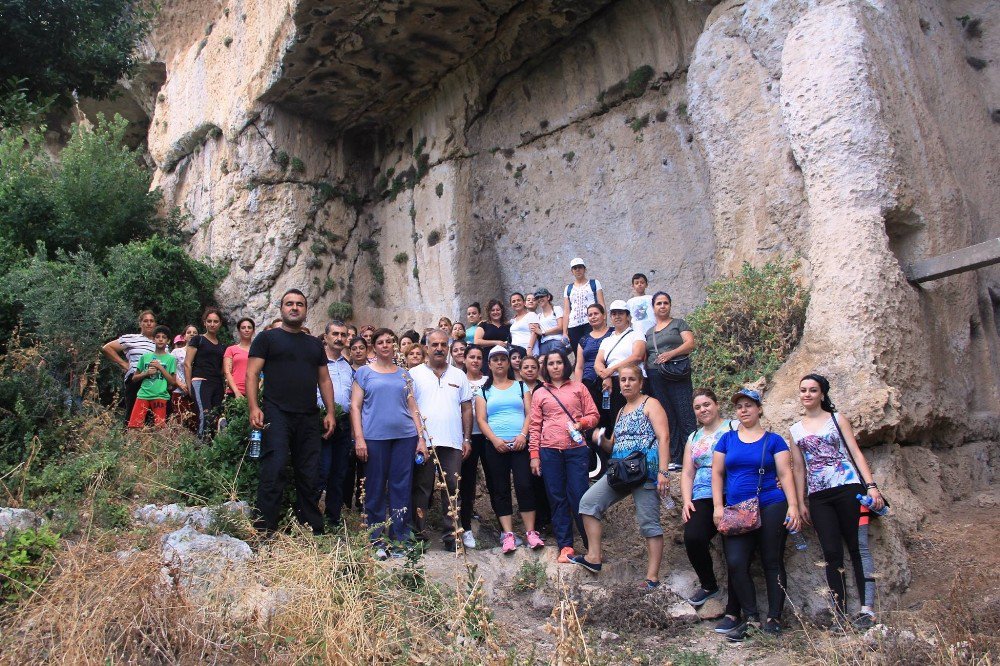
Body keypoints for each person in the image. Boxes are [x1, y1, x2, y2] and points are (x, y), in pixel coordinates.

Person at [789, 374, 883, 629]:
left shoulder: (837, 419)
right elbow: (798, 468)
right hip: (819, 495)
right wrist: (800, 502)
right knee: (831, 553)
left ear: (822, 394)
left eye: (812, 390)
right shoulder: (795, 430)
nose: (807, 394)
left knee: (858, 547)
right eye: (803, 390)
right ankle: (839, 614)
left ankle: (867, 610)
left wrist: (871, 486)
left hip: (848, 487)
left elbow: (854, 452)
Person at [712, 388, 802, 640]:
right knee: (736, 562)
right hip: (737, 509)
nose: (743, 410)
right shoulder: (727, 440)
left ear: (759, 409)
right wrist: (718, 507)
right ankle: (751, 618)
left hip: (771, 504)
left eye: (748, 405)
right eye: (739, 406)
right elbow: (717, 474)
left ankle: (774, 618)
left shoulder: (774, 441)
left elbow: (785, 474)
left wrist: (793, 506)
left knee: (771, 560)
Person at [247, 289, 336, 535]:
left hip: (308, 416)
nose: (294, 308)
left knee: (309, 473)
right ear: (282, 309)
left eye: (299, 304)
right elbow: (252, 373)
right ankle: (265, 529)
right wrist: (254, 407)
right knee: (273, 469)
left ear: (306, 310)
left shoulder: (314, 344)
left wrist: (329, 412)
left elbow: (325, 380)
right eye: (289, 304)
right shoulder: (267, 339)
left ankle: (310, 527)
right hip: (276, 413)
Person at [574, 364, 669, 590]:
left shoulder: (651, 404)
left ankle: (652, 578)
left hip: (645, 470)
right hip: (620, 471)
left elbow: (663, 437)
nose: (626, 383)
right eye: (623, 380)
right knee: (588, 503)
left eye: (631, 380)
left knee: (649, 522)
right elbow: (613, 446)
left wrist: (664, 472)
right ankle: (594, 557)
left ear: (641, 382)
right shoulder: (621, 410)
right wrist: (600, 439)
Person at [351, 328, 425, 557]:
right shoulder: (364, 373)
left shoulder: (404, 374)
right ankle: (376, 540)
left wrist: (421, 437)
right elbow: (355, 406)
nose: (385, 345)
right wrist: (359, 438)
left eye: (389, 341)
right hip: (374, 438)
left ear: (394, 345)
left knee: (401, 487)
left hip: (405, 436)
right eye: (380, 342)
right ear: (373, 346)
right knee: (374, 488)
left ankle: (400, 539)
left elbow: (413, 407)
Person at [529, 349, 599, 563]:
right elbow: (534, 425)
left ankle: (591, 548)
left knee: (580, 496)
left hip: (576, 450)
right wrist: (534, 454)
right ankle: (565, 546)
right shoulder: (540, 393)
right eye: (551, 363)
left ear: (565, 365)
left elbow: (594, 415)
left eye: (559, 362)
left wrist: (581, 424)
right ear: (546, 367)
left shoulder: (579, 388)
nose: (556, 367)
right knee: (557, 498)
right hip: (549, 450)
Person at [680, 389, 741, 629]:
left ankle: (734, 611)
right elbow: (687, 472)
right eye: (698, 407)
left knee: (734, 553)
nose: (703, 410)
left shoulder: (733, 427)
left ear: (716, 405)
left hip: (732, 493)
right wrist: (687, 500)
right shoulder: (693, 437)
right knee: (693, 537)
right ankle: (708, 584)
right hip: (702, 495)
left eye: (707, 404)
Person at [410, 330, 473, 551]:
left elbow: (467, 408)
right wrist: (418, 437)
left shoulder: (459, 375)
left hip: (453, 441)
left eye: (443, 345)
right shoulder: (414, 374)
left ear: (448, 348)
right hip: (424, 442)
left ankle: (451, 537)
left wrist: (467, 438)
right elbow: (411, 408)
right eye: (434, 344)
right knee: (421, 489)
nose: (439, 348)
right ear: (426, 347)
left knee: (452, 490)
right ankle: (416, 535)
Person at [477, 346, 544, 553]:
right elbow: (481, 419)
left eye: (502, 359)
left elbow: (530, 413)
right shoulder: (483, 390)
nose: (499, 363)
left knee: (525, 485)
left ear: (508, 363)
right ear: (489, 364)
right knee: (500, 488)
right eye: (495, 359)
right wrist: (495, 440)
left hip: (520, 444)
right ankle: (507, 534)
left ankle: (530, 532)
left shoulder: (521, 386)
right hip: (496, 445)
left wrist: (524, 435)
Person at [645, 291, 696, 471]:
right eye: (658, 303)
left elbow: (690, 344)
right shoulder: (649, 332)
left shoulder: (678, 323)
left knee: (685, 413)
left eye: (665, 303)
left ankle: (692, 457)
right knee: (667, 416)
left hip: (676, 372)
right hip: (655, 375)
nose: (662, 306)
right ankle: (676, 457)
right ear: (653, 307)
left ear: (670, 305)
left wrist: (670, 354)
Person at [319, 320, 355, 529]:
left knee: (339, 472)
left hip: (344, 423)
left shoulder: (346, 366)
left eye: (343, 334)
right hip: (321, 420)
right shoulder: (318, 363)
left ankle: (333, 519)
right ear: (326, 337)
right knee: (321, 470)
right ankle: (311, 518)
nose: (339, 338)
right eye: (335, 334)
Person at [594, 300, 646, 434]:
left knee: (638, 417)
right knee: (616, 419)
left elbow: (637, 356)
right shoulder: (607, 340)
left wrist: (611, 370)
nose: (617, 316)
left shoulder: (636, 334)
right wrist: (606, 377)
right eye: (614, 314)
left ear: (627, 316)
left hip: (634, 379)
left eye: (621, 313)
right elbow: (598, 363)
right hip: (613, 383)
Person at [459, 344, 489, 548]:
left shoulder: (489, 381)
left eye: (479, 357)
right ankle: (465, 527)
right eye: (472, 357)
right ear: (465, 359)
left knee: (495, 481)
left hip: (487, 437)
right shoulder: (458, 379)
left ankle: (506, 530)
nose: (476, 361)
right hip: (466, 437)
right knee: (467, 484)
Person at [102, 310, 157, 422]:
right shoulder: (131, 338)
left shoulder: (161, 343)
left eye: (151, 321)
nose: (149, 323)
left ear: (155, 324)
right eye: (145, 321)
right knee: (133, 412)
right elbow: (107, 348)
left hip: (155, 381)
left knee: (151, 415)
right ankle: (128, 435)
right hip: (136, 379)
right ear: (140, 323)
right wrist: (124, 364)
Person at [185, 307, 226, 439]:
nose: (212, 324)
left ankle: (212, 450)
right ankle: (201, 450)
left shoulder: (222, 346)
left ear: (220, 323)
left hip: (217, 384)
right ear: (204, 323)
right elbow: (187, 364)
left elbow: (222, 369)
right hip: (200, 381)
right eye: (209, 321)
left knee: (215, 417)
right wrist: (189, 386)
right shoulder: (198, 340)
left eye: (215, 321)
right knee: (205, 415)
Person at [127, 325, 177, 429]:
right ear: (153, 339)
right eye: (158, 337)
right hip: (143, 394)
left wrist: (160, 368)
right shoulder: (145, 357)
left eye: (164, 337)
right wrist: (146, 373)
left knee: (159, 427)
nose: (160, 339)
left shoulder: (171, 359)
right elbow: (134, 378)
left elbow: (172, 381)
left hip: (160, 395)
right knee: (134, 426)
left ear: (168, 341)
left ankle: (156, 445)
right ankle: (136, 444)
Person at [573, 304, 613, 428]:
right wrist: (578, 387)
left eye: (596, 313)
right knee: (592, 415)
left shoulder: (613, 333)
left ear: (604, 315)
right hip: (589, 383)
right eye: (590, 315)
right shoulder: (584, 340)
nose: (593, 317)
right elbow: (579, 366)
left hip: (609, 380)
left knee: (610, 414)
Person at [343, 335, 371, 511]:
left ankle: (362, 502)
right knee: (346, 465)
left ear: (367, 350)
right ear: (350, 351)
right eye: (354, 348)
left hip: (367, 421)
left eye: (361, 348)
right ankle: (345, 502)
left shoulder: (373, 370)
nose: (358, 351)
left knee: (364, 464)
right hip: (346, 421)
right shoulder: (346, 370)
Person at [562, 257, 605, 351]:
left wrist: (603, 321)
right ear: (572, 271)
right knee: (578, 354)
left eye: (580, 267)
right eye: (575, 268)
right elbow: (566, 311)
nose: (578, 270)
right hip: (573, 325)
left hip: (591, 322)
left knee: (593, 350)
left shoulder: (594, 283)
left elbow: (601, 304)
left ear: (585, 269)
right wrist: (565, 332)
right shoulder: (568, 288)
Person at [170, 325, 198, 428]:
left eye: (195, 333)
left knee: (195, 421)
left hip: (196, 391)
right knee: (181, 421)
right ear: (184, 336)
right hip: (179, 391)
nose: (192, 334)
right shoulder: (176, 352)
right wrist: (180, 384)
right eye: (189, 332)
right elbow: (171, 371)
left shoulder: (200, 353)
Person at [223, 317, 255, 398]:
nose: (246, 330)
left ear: (253, 331)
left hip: (253, 392)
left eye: (249, 327)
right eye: (243, 327)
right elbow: (227, 372)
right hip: (233, 392)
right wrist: (236, 392)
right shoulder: (231, 349)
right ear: (239, 331)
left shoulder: (258, 351)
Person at [532, 288, 566, 356]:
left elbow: (560, 327)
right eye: (537, 298)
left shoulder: (556, 309)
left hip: (557, 341)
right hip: (543, 344)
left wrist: (543, 332)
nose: (539, 299)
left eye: (541, 296)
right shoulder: (539, 316)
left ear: (548, 297)